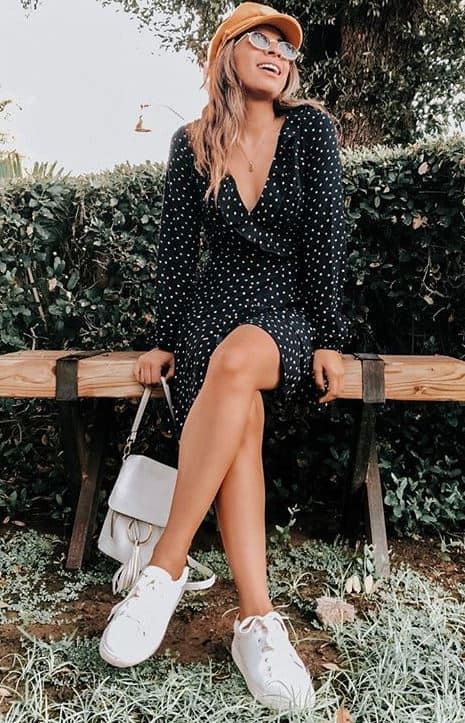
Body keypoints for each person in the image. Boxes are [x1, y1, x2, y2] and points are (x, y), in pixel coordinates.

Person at [99, 1, 350, 713]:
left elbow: (327, 237)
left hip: (283, 317)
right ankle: (256, 622)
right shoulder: (191, 143)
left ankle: (164, 569)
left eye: (286, 47)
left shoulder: (310, 131)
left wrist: (328, 335)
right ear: (224, 54)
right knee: (237, 417)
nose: (276, 52)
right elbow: (178, 252)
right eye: (259, 39)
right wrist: (165, 339)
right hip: (210, 318)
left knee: (238, 362)